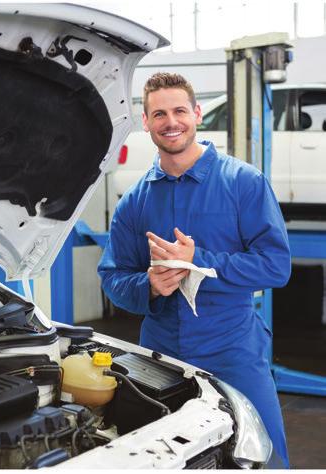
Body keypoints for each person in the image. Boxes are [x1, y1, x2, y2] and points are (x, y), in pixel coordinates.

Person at [98, 72, 291, 468]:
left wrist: (197, 261)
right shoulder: (135, 201)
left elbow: (276, 267)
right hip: (161, 354)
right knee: (166, 459)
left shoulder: (244, 183)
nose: (172, 121)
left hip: (232, 348)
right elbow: (113, 277)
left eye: (180, 110)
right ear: (146, 121)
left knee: (264, 456)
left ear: (197, 113)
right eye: (159, 113)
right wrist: (148, 286)